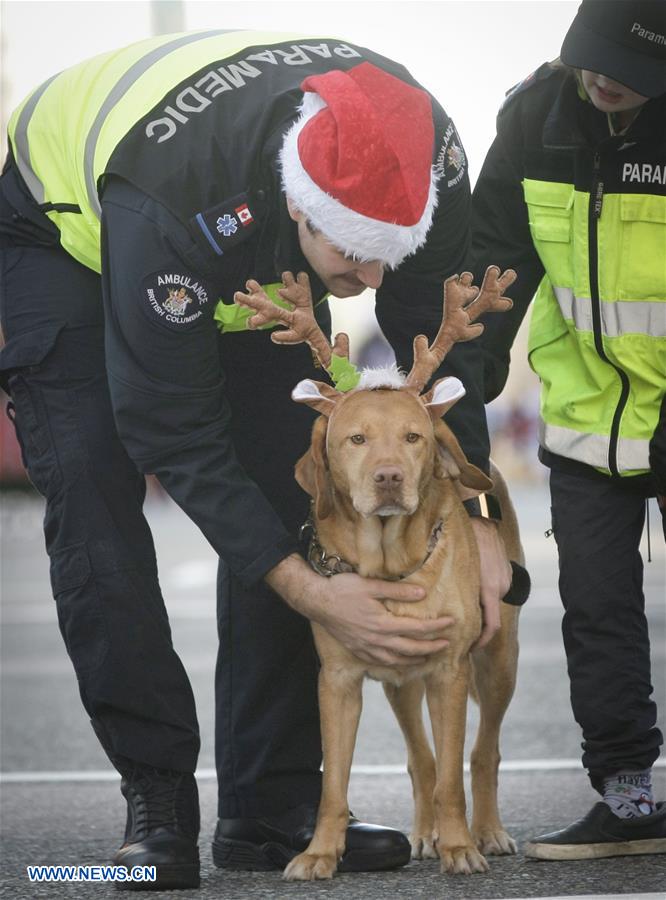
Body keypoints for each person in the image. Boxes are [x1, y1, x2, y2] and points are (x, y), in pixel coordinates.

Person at [0, 31, 512, 889]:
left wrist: (478, 518)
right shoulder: (178, 204)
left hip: (238, 228)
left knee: (295, 487)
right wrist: (316, 593)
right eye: (354, 253)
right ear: (303, 208)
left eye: (391, 249)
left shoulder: (428, 152)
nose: (374, 275)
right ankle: (156, 803)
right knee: (95, 503)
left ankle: (270, 812)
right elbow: (174, 428)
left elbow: (443, 355)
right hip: (71, 237)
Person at [471, 0, 666, 860]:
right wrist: (456, 402)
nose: (601, 79)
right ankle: (628, 801)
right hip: (588, 416)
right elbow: (489, 266)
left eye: (627, 68)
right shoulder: (532, 115)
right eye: (590, 57)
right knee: (596, 610)